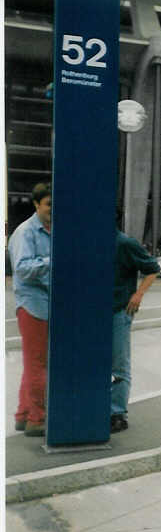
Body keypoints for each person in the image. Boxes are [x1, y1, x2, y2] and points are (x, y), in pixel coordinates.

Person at [8, 183, 52, 436]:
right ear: (36, 205)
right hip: (33, 305)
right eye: (48, 205)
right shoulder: (26, 233)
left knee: (33, 364)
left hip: (43, 304)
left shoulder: (49, 230)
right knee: (38, 365)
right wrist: (53, 260)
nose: (52, 210)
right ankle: (37, 419)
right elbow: (23, 268)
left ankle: (23, 414)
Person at [111, 229, 160, 432]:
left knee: (119, 364)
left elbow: (153, 268)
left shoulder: (125, 243)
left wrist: (138, 294)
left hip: (118, 311)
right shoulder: (92, 240)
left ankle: (117, 413)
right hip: (95, 313)